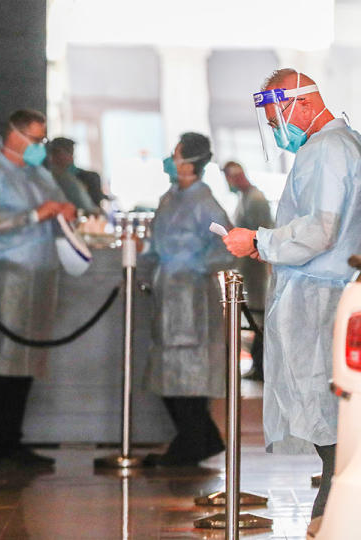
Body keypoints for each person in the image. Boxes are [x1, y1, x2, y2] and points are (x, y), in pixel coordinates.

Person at [223, 69, 361, 526]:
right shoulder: (344, 145)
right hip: (328, 293)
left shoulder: (327, 150)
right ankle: (329, 519)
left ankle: (329, 523)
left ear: (302, 104)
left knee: (329, 421)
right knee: (332, 419)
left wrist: (260, 242)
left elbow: (322, 230)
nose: (275, 129)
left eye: (276, 117)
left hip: (322, 298)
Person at [0, 110, 75, 469]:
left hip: (40, 276)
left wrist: (65, 209)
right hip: (7, 277)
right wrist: (32, 216)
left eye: (42, 141)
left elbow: (58, 204)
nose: (39, 148)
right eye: (35, 140)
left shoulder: (39, 174)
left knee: (28, 361)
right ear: (13, 135)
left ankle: (12, 442)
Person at [143, 132, 235, 467]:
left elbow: (227, 245)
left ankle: (195, 441)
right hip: (166, 294)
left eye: (176, 153)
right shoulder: (169, 199)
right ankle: (199, 439)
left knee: (191, 374)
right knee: (168, 373)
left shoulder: (205, 204)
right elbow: (153, 245)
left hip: (193, 297)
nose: (171, 159)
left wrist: (195, 265)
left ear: (190, 161)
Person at [222, 160, 273, 381]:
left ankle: (260, 366)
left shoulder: (256, 200)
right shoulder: (244, 199)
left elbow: (263, 237)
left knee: (258, 319)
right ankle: (256, 364)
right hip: (247, 270)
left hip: (256, 271)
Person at [45, 136, 100, 214]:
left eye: (72, 152)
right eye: (68, 152)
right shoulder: (59, 177)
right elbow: (87, 208)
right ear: (55, 154)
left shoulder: (84, 176)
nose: (72, 157)